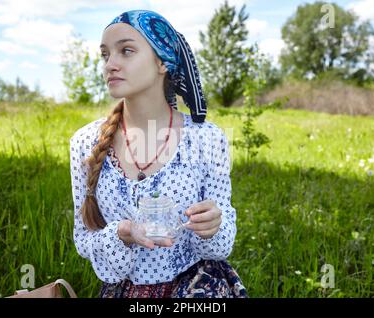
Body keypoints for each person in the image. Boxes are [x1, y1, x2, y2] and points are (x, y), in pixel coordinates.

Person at [69, 9, 247, 298]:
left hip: (199, 291)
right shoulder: (84, 143)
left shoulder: (207, 139)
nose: (110, 64)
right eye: (105, 54)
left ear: (163, 62)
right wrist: (120, 234)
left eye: (126, 51)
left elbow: (222, 242)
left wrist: (214, 225)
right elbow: (84, 239)